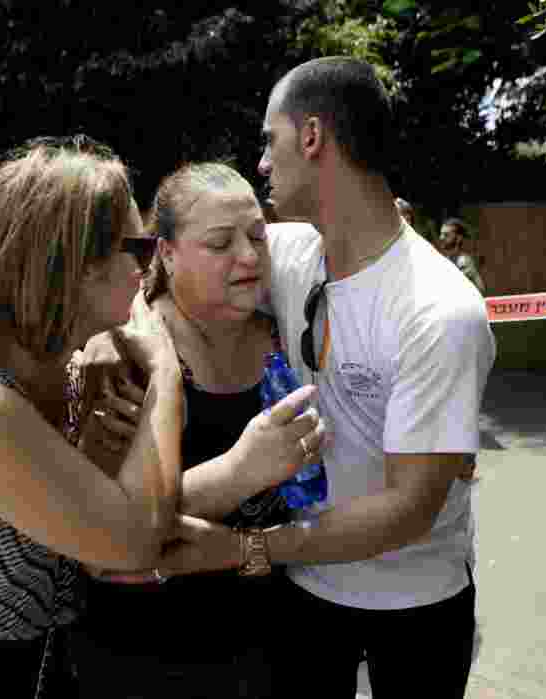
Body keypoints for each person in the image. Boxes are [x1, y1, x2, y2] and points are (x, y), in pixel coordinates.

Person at [0, 137, 322, 698]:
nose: (148, 264)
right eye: (136, 247)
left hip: (34, 669)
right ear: (74, 265)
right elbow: (130, 541)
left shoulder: (62, 367)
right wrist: (164, 376)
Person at [106, 57, 496, 699]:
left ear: (311, 137)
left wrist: (241, 548)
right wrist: (122, 332)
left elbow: (407, 511)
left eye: (269, 140)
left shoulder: (439, 309)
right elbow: (171, 273)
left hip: (416, 608)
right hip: (305, 597)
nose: (261, 164)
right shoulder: (284, 254)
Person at [71, 162, 325, 699]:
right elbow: (103, 533)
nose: (250, 256)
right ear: (165, 252)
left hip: (270, 642)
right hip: (147, 655)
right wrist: (239, 472)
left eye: (258, 235)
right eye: (220, 243)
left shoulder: (282, 330)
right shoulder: (127, 355)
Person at [439, 217, 486, 294]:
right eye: (441, 234)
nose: (441, 238)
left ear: (458, 238)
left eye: (446, 235)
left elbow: (481, 289)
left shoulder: (464, 262)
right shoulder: (445, 260)